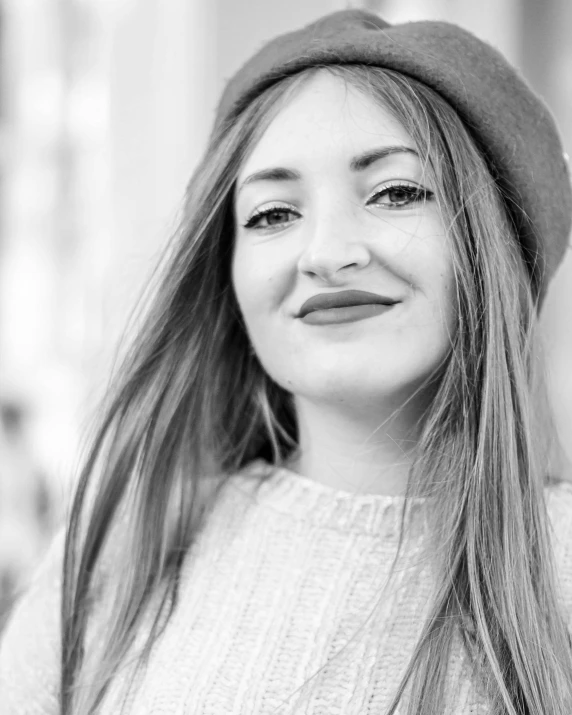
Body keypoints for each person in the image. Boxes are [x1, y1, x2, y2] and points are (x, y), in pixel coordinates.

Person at [1, 8, 572, 715]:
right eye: (273, 213)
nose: (328, 253)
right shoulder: (126, 545)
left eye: (396, 192)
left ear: (493, 250)